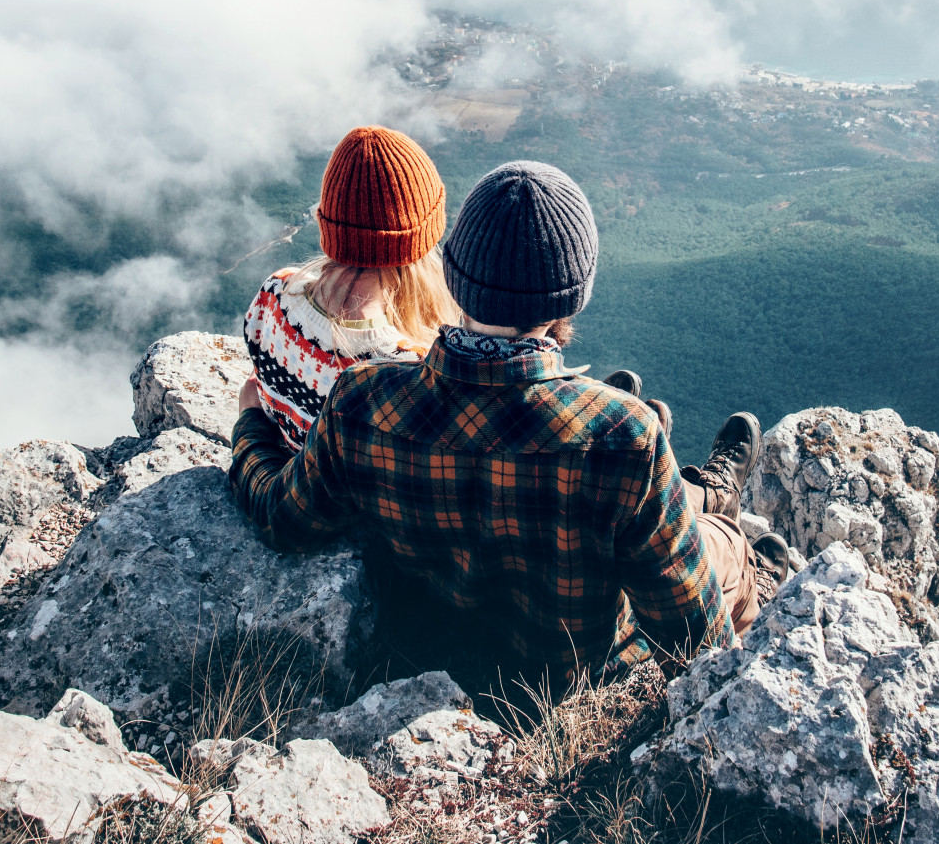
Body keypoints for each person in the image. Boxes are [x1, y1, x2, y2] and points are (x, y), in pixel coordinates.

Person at [229, 160, 802, 686]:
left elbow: (283, 516)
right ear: (570, 299)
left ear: (453, 273)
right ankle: (762, 577)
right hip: (572, 680)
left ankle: (704, 498)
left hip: (432, 659)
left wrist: (251, 426)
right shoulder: (625, 436)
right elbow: (692, 640)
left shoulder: (361, 401)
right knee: (720, 546)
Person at [243, 126, 460, 446]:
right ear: (420, 242)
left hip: (286, 471)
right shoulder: (413, 367)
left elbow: (257, 386)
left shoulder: (275, 293)